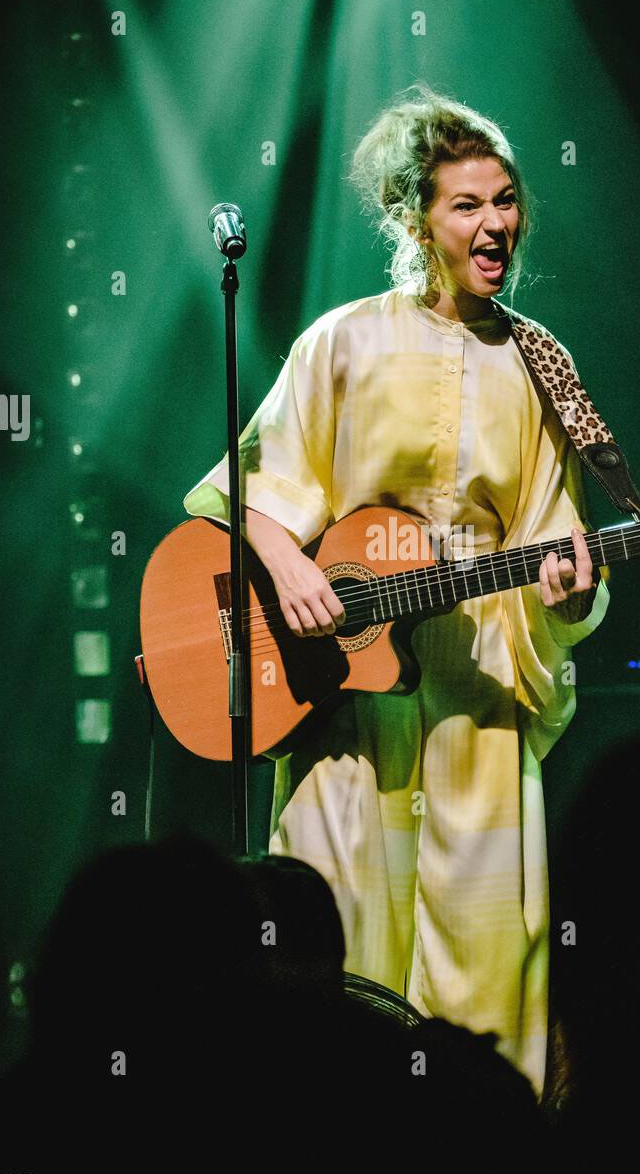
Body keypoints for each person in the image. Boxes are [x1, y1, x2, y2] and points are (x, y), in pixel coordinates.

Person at [183, 83, 610, 1098]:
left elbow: (558, 549)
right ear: (415, 218)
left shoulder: (542, 364)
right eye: (466, 204)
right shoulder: (340, 341)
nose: (494, 223)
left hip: (477, 710)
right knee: (334, 976)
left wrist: (563, 593)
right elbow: (241, 494)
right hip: (340, 706)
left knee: (485, 978)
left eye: (504, 200)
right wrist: (288, 564)